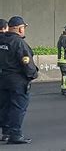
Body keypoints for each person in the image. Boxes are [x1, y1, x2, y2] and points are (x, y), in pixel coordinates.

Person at [0, 16, 38, 144]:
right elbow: (26, 62)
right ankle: (15, 134)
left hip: (2, 78)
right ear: (20, 29)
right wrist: (32, 75)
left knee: (5, 106)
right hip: (17, 80)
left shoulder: (1, 40)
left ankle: (5, 132)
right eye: (23, 28)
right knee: (17, 107)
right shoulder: (19, 43)